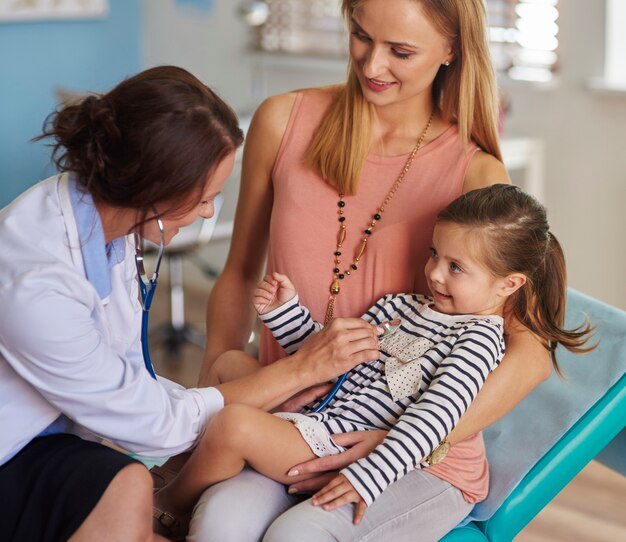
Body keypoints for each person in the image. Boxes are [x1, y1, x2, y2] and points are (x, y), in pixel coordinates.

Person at [186, 0, 553, 540]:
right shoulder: (282, 120)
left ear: (451, 50)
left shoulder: (475, 171)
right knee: (217, 523)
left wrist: (403, 439)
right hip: (296, 421)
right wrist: (207, 410)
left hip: (401, 445)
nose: (372, 66)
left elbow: (529, 353)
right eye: (361, 37)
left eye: (401, 51)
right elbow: (240, 273)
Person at [0, 65, 382, 542]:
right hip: (13, 449)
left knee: (128, 487)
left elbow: (125, 384)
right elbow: (152, 424)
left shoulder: (103, 227)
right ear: (155, 187)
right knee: (130, 482)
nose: (208, 213)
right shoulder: (37, 284)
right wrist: (301, 370)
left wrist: (270, 387)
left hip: (53, 438)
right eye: (206, 198)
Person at [154, 184, 593, 540]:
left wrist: (370, 475)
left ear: (508, 284)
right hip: (319, 421)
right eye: (434, 254)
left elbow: (434, 418)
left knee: (233, 425)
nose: (436, 272)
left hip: (338, 442)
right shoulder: (398, 306)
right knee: (230, 364)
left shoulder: (478, 340)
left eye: (456, 267)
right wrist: (284, 314)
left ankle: (169, 504)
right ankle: (180, 474)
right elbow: (330, 362)